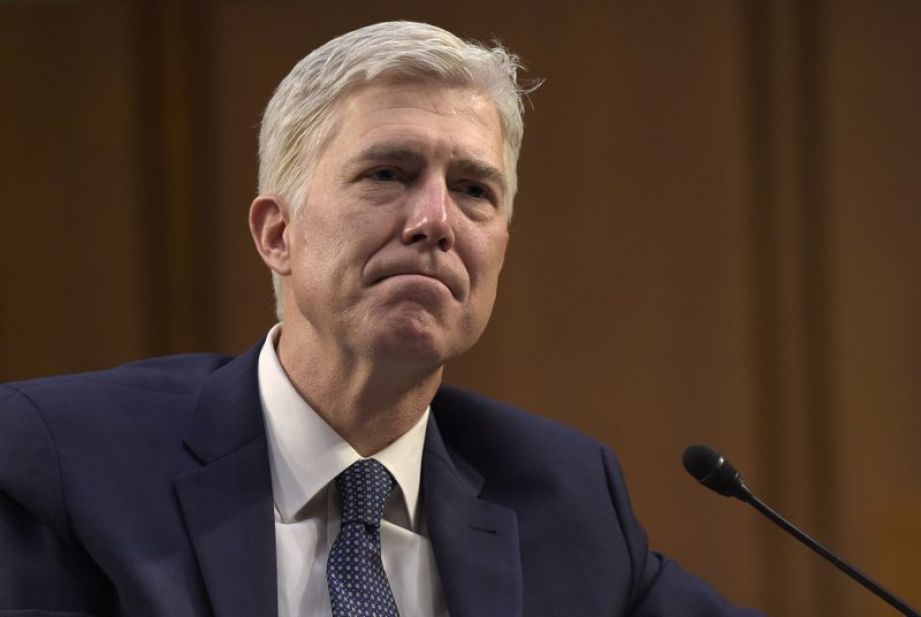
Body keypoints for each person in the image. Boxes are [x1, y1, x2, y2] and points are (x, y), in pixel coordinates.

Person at [0, 21, 763, 617]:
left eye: (472, 190)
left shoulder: (562, 496)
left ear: (498, 248)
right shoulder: (73, 460)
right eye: (387, 174)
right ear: (277, 234)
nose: (434, 220)